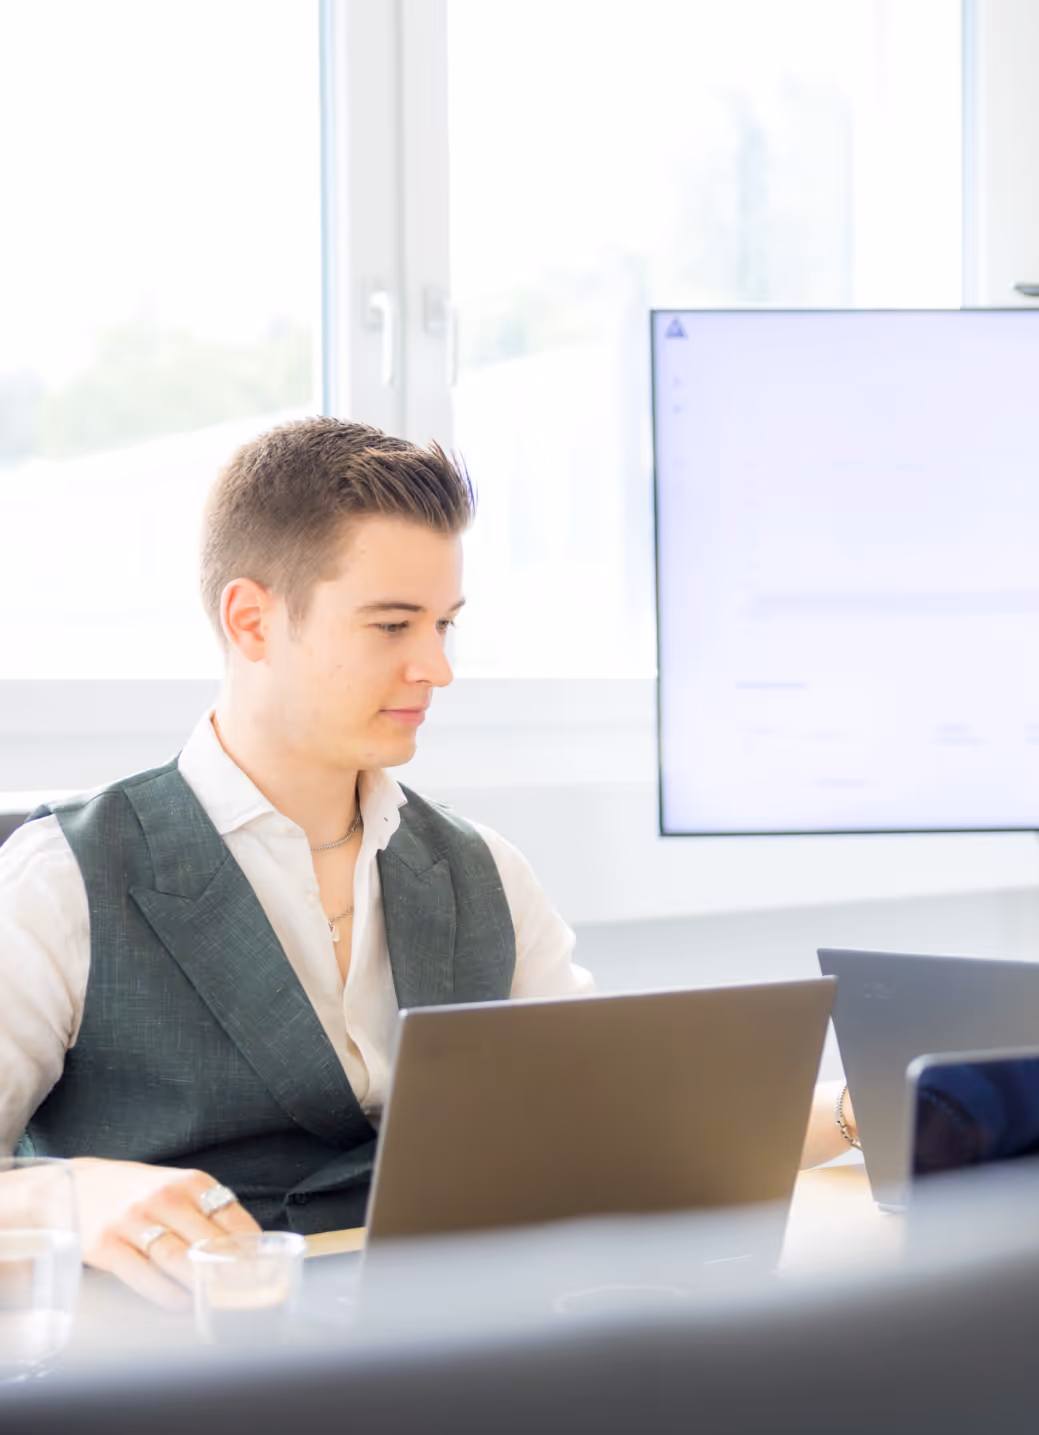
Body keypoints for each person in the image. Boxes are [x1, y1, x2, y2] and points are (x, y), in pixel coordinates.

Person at [0, 419, 599, 1307]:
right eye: (392, 624)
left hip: (452, 1336)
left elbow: (610, 1119)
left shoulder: (486, 873)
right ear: (252, 620)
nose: (436, 666)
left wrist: (824, 1106)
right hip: (186, 1352)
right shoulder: (62, 879)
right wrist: (68, 1195)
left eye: (443, 624)